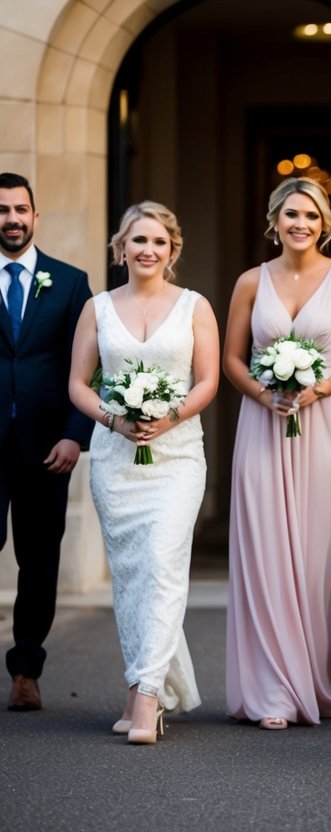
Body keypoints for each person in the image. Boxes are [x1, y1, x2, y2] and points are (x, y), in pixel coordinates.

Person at [223, 177, 331, 729]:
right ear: (275, 221)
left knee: (319, 555)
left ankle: (322, 671)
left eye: (312, 216)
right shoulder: (250, 282)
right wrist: (267, 395)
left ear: (325, 224)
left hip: (326, 425)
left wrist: (316, 390)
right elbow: (232, 360)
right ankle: (274, 689)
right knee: (267, 550)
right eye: (292, 214)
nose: (301, 224)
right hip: (263, 428)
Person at [67, 202, 219, 744]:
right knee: (133, 576)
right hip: (115, 458)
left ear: (172, 250)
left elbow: (207, 380)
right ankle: (140, 690)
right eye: (138, 241)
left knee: (161, 562)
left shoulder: (195, 306)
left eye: (158, 241)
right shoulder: (98, 308)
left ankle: (150, 694)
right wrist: (114, 419)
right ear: (121, 249)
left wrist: (169, 417)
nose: (148, 250)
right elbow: (79, 384)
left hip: (177, 456)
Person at [0, 172, 92, 712]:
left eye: (19, 209)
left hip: (46, 447)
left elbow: (88, 365)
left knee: (38, 560)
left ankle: (26, 671)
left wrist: (75, 436)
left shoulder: (70, 281)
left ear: (36, 217)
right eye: (2, 210)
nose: (11, 218)